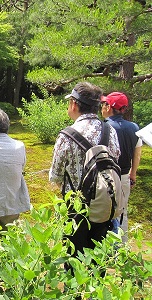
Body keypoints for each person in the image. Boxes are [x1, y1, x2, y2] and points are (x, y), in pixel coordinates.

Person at [49, 82, 121, 259]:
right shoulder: (109, 130)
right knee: (98, 261)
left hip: (76, 209)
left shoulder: (67, 135)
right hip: (105, 204)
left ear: (74, 104)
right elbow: (116, 159)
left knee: (74, 261)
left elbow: (55, 175)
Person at [100, 92, 142, 242]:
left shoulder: (104, 127)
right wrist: (133, 174)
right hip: (124, 176)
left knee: (104, 212)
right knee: (122, 212)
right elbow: (137, 154)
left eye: (104, 104)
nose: (102, 107)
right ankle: (121, 248)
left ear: (109, 107)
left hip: (105, 178)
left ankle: (104, 248)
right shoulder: (134, 128)